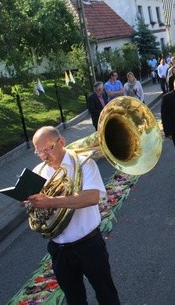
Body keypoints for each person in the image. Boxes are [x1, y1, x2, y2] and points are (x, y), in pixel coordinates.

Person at [28, 126, 120, 304]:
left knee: (106, 294)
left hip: (89, 245)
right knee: (74, 299)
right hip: (59, 249)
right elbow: (31, 202)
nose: (44, 156)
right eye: (39, 152)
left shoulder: (85, 163)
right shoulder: (38, 171)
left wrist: (50, 201)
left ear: (61, 142)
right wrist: (27, 200)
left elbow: (92, 197)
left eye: (47, 149)